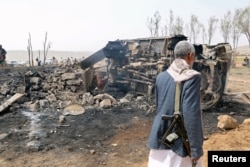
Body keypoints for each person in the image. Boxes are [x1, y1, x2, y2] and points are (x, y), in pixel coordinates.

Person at [147, 41, 203, 167]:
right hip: (179, 146)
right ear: (190, 55)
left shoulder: (161, 77)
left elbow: (159, 107)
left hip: (159, 137)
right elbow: (191, 115)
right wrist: (195, 149)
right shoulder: (192, 77)